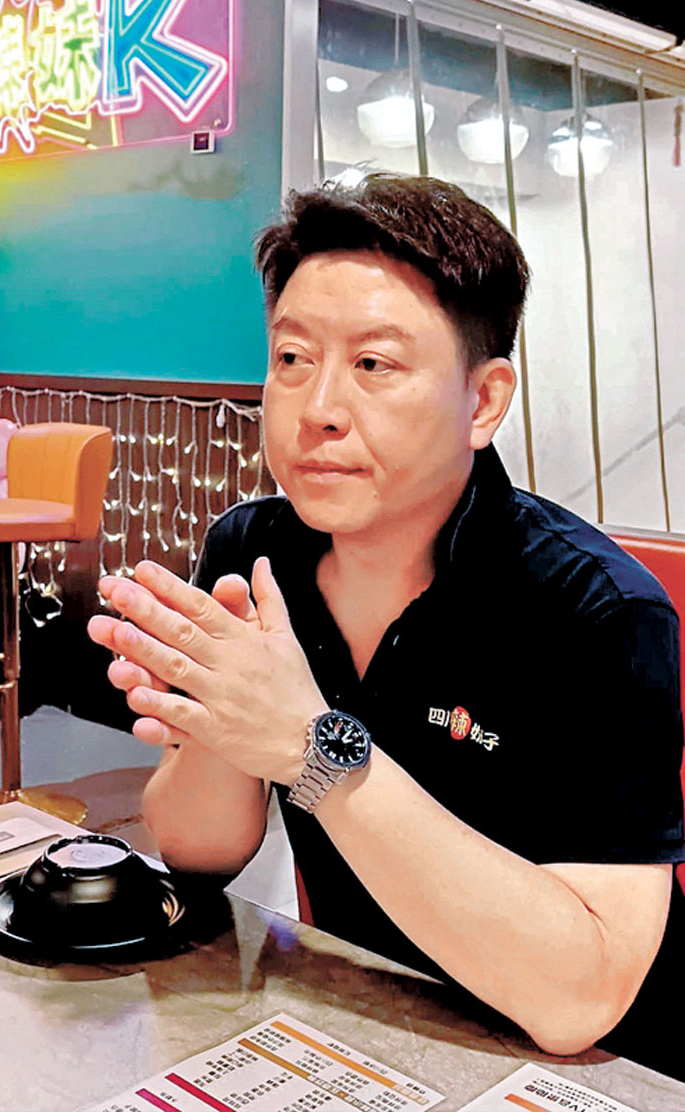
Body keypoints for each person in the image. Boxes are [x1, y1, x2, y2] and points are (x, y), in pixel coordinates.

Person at [87, 175, 685, 1078]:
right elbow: (198, 850)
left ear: (482, 402)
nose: (317, 408)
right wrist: (221, 721)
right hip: (361, 1021)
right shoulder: (252, 550)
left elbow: (580, 999)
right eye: (292, 358)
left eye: (373, 365)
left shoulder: (594, 608)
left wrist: (310, 750)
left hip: (600, 1074)